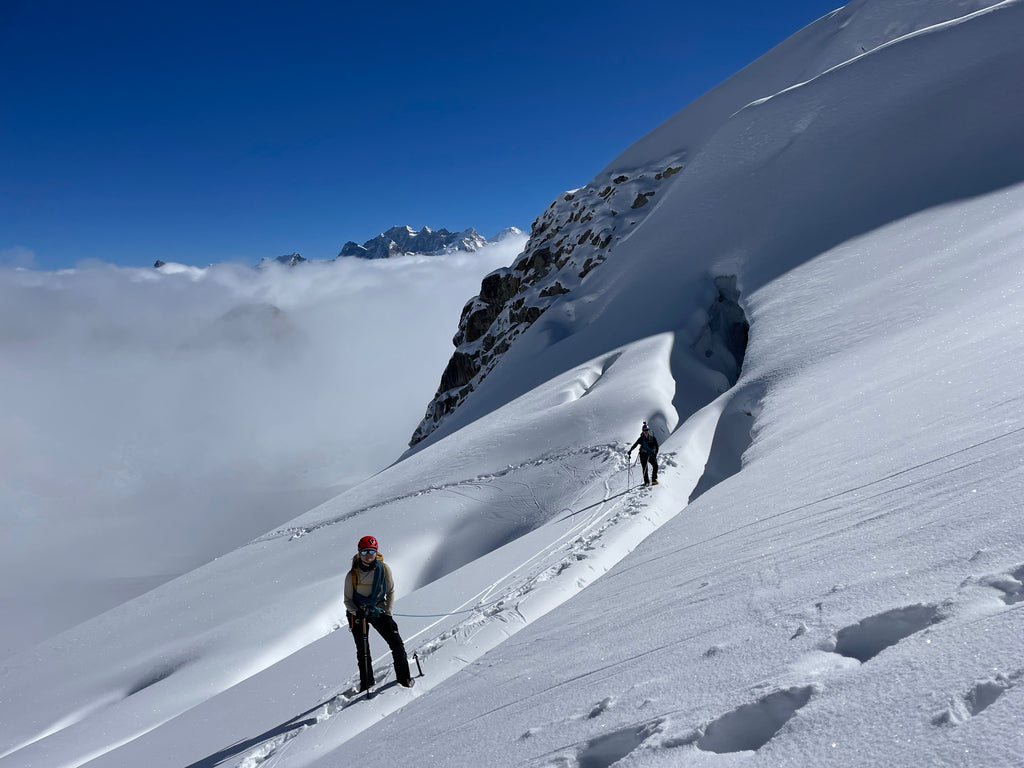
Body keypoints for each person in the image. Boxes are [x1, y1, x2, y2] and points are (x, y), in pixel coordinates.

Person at [344, 535, 414, 690]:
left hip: (378, 610)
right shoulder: (352, 575)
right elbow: (348, 600)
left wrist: (388, 613)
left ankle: (404, 679)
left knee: (397, 644)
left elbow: (390, 591)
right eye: (364, 552)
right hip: (358, 613)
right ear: (359, 553)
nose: (368, 555)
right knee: (363, 651)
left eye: (371, 551)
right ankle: (366, 683)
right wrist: (356, 612)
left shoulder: (384, 569)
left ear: (376, 552)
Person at [628, 422, 659, 486]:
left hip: (650, 454)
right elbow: (635, 444)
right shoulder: (641, 438)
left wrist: (656, 453)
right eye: (644, 430)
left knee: (655, 465)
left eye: (647, 430)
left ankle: (653, 480)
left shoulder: (652, 437)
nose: (646, 432)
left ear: (648, 430)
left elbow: (656, 445)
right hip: (643, 455)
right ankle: (646, 482)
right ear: (642, 431)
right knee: (645, 468)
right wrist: (630, 450)